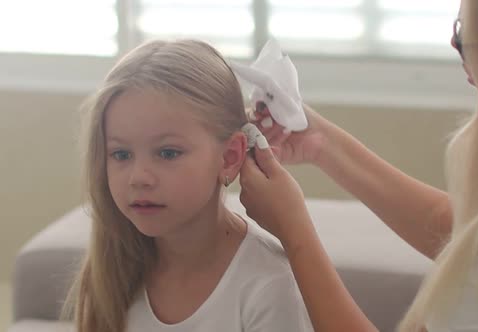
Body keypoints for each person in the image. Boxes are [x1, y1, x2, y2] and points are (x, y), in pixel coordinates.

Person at [239, 0, 478, 331]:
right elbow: (467, 233)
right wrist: (322, 144)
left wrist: (294, 230)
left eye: (466, 37)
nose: (455, 47)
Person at [62, 39, 312, 332]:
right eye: (121, 154)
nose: (138, 177)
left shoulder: (269, 286)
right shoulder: (114, 273)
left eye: (168, 153)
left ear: (230, 157)